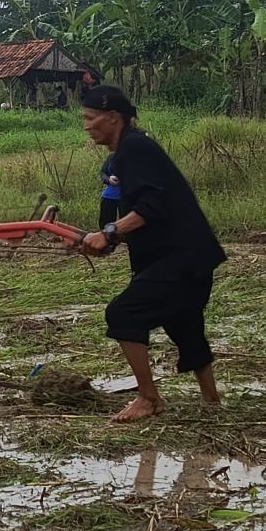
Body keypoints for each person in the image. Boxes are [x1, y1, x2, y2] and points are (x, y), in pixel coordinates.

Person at [79, 85, 226, 423]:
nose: (86, 125)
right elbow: (149, 209)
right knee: (185, 324)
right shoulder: (128, 150)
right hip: (188, 255)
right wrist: (105, 240)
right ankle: (212, 402)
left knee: (123, 314)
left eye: (90, 118)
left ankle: (149, 399)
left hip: (180, 257)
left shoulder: (134, 148)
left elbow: (153, 206)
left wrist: (110, 232)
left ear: (113, 118)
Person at [99, 153, 120, 227]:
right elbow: (103, 172)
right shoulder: (112, 156)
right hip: (109, 196)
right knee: (106, 226)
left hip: (128, 196)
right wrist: (108, 180)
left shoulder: (136, 156)